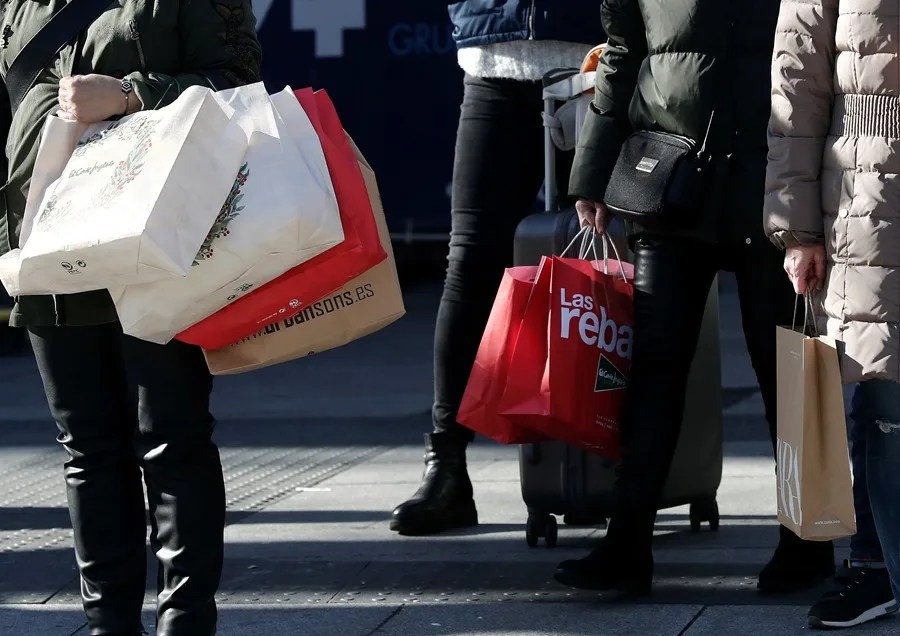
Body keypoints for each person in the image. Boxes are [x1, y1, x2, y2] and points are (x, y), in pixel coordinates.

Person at [554, 0, 835, 595]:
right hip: (672, 182)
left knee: (790, 366)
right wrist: (594, 171)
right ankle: (627, 543)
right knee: (653, 365)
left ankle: (808, 543)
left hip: (773, 185)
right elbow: (624, 53)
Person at [0, 3, 261, 635]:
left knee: (172, 438)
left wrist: (127, 94)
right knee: (87, 448)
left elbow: (240, 87)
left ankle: (185, 622)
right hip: (45, 231)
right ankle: (108, 626)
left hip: (155, 233)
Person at [390, 1, 605, 536]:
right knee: (470, 261)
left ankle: (614, 460)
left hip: (597, 60)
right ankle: (446, 466)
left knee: (612, 257)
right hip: (494, 57)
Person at [764, 0, 900, 628]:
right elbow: (798, 79)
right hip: (871, 193)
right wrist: (796, 229)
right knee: (880, 395)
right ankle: (878, 568)